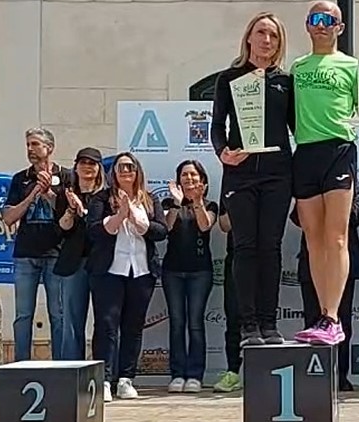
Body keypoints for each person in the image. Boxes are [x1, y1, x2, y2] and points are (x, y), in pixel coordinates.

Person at [211, 12, 294, 347]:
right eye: (261, 33)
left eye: (273, 35)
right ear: (248, 37)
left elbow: (298, 127)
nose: (266, 40)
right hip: (240, 174)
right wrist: (222, 153)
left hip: (277, 174)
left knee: (270, 247)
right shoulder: (228, 78)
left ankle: (269, 324)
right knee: (244, 247)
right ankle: (248, 326)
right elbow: (217, 126)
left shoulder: (286, 81)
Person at [290, 0, 359, 347]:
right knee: (313, 240)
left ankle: (333, 317)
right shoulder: (297, 67)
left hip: (339, 150)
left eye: (329, 20)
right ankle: (322, 315)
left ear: (340, 28)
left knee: (337, 238)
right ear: (307, 25)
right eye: (315, 19)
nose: (322, 24)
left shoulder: (353, 66)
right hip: (305, 152)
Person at [87, 153, 167, 401]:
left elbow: (161, 231)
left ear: (137, 171)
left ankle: (126, 379)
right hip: (109, 271)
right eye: (120, 167)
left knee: (133, 327)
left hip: (141, 271)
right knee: (106, 325)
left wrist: (137, 220)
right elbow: (94, 231)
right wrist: (120, 215)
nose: (125, 171)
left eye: (130, 167)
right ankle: (104, 380)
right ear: (113, 173)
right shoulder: (101, 198)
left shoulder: (149, 199)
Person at [2, 127, 71, 361]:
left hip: (56, 253)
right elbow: (8, 217)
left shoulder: (66, 176)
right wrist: (32, 195)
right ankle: (21, 364)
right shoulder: (20, 179)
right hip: (25, 254)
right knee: (23, 315)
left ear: (49, 148)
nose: (30, 149)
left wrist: (49, 193)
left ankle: (60, 365)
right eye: (28, 145)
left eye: (35, 144)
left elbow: (69, 214)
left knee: (58, 314)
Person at [293, 182, 359, 392]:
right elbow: (296, 218)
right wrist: (318, 207)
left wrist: (335, 207)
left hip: (343, 268)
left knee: (342, 322)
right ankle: (315, 375)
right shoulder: (309, 189)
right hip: (312, 264)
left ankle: (341, 375)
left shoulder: (352, 186)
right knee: (313, 321)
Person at [162, 160, 218, 393]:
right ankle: (177, 374)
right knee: (177, 323)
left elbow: (205, 226)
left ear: (202, 180)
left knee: (195, 323)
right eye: (184, 175)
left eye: (194, 175)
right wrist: (177, 202)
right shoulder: (168, 203)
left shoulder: (210, 205)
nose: (189, 179)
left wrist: (197, 202)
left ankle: (195, 374)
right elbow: (166, 227)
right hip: (172, 271)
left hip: (200, 272)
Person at [54, 147, 105, 361]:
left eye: (92, 163)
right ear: (75, 167)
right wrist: (71, 211)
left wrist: (84, 212)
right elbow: (61, 229)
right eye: (83, 162)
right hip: (73, 262)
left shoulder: (106, 196)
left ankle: (103, 370)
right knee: (72, 322)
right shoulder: (64, 195)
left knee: (105, 320)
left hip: (103, 263)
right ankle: (71, 369)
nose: (87, 167)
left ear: (99, 168)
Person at [213, 194, 243, 393]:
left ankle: (259, 372)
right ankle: (233, 371)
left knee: (262, 321)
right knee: (233, 317)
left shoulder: (270, 185)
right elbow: (224, 225)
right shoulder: (232, 186)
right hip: (235, 256)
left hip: (263, 256)